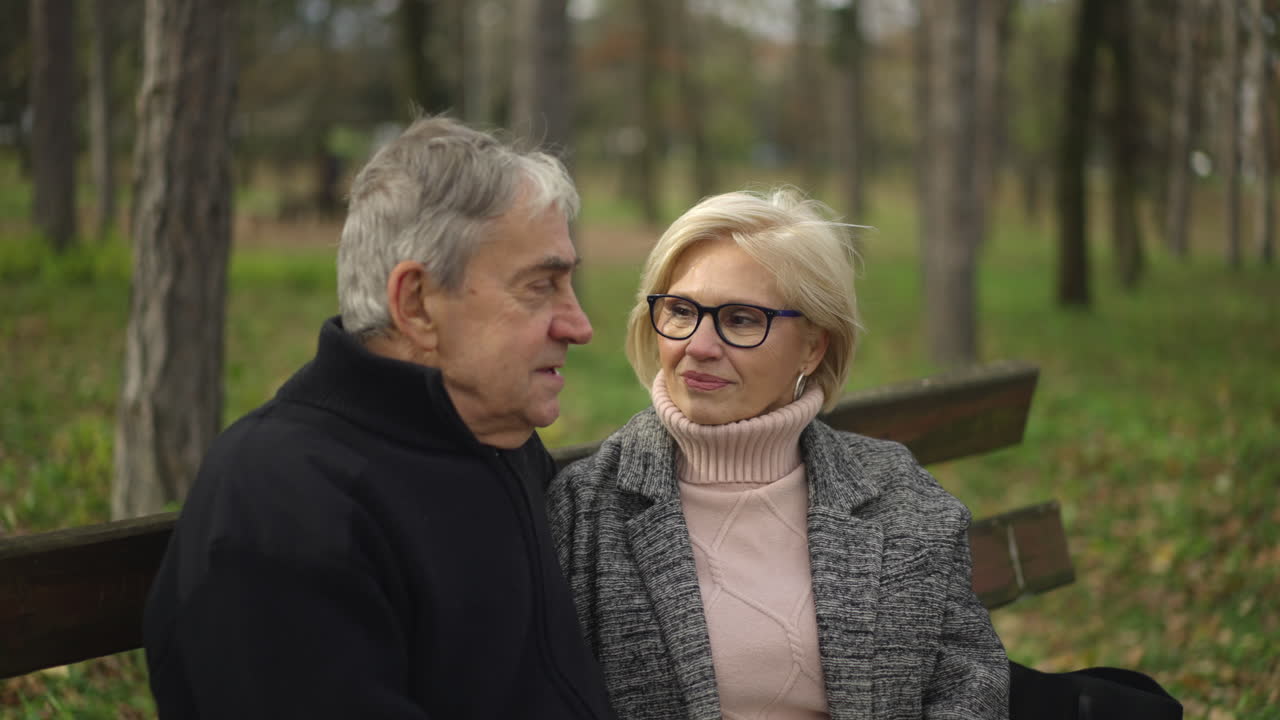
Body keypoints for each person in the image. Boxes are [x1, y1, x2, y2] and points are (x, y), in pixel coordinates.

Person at [144, 116, 617, 719]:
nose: (579, 326)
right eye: (540, 286)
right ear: (416, 304)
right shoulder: (282, 500)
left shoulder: (491, 437)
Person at [548, 188, 1009, 719]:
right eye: (679, 311)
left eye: (742, 319)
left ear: (813, 347)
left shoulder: (897, 494)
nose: (698, 345)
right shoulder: (587, 510)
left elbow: (971, 682)